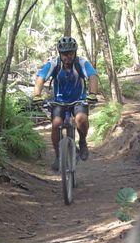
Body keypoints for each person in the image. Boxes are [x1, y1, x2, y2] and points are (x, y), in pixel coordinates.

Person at [33, 36, 99, 172]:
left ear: (75, 52)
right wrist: (37, 95)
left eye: (70, 53)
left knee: (81, 118)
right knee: (56, 124)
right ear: (60, 53)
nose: (67, 57)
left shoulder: (81, 62)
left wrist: (92, 93)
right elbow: (41, 78)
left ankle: (82, 141)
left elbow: (92, 76)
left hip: (79, 99)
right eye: (64, 54)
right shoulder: (54, 64)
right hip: (59, 101)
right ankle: (58, 157)